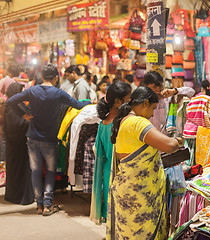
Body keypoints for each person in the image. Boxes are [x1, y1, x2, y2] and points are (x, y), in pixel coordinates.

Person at [6, 64, 90, 216]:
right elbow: (77, 105)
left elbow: (10, 101)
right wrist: (90, 103)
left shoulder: (32, 90)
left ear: (42, 77)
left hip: (32, 138)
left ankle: (38, 205)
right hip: (50, 139)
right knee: (50, 172)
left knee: (35, 171)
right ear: (56, 78)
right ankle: (47, 205)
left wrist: (23, 115)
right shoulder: (58, 93)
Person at [106, 86, 181, 239]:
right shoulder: (138, 123)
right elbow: (170, 145)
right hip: (139, 197)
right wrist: (179, 140)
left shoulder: (124, 120)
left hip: (128, 191)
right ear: (145, 103)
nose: (153, 113)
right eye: (153, 108)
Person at [90, 81, 131, 224]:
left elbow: (99, 153)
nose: (131, 102)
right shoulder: (123, 124)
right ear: (118, 102)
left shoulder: (102, 124)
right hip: (121, 175)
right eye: (128, 98)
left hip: (108, 174)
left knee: (112, 219)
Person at [4, 82, 34, 205]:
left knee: (22, 171)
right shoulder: (10, 106)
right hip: (16, 145)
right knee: (18, 171)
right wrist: (30, 122)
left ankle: (23, 195)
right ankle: (18, 197)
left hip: (21, 143)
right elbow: (15, 125)